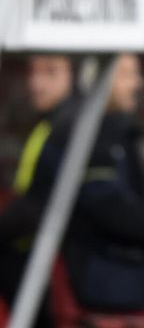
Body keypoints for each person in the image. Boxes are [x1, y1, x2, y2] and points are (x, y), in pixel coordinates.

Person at [42, 53, 144, 314]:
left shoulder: (109, 130)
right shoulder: (90, 134)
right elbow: (112, 212)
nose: (137, 83)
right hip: (112, 274)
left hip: (131, 266)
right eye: (126, 74)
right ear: (97, 77)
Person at [0, 54, 80, 327]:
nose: (36, 83)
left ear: (74, 76)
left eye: (50, 72)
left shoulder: (66, 126)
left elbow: (39, 203)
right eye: (33, 72)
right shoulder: (50, 124)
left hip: (42, 260)